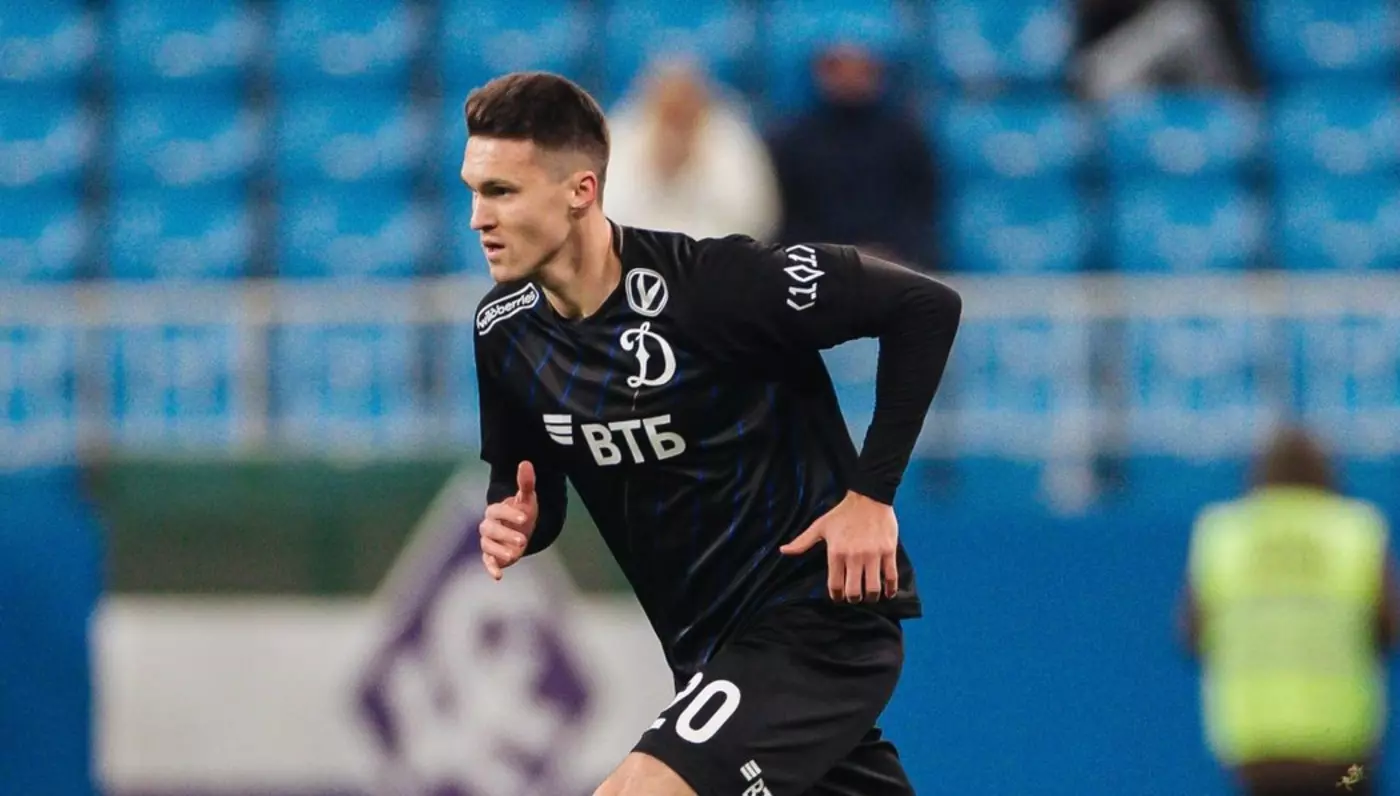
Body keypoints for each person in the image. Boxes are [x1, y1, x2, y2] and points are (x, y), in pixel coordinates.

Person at [460, 71, 961, 796]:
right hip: (706, 653)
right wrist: (518, 523)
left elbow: (924, 305)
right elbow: (526, 489)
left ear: (580, 191)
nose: (478, 218)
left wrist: (870, 495)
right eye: (474, 191)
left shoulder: (716, 286)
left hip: (812, 624)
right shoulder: (505, 332)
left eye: (502, 191)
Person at [1178, 427, 1399, 796]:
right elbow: (1390, 630)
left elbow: (1191, 636)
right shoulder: (1355, 531)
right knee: (1354, 781)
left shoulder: (1223, 535)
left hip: (1252, 752)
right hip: (1345, 754)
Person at [766, 43, 939, 270]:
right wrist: (832, 254)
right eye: (837, 68)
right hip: (816, 267)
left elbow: (919, 206)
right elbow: (786, 212)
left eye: (861, 69)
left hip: (895, 263)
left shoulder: (905, 137)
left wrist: (890, 251)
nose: (849, 77)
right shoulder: (794, 140)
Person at [604, 58, 781, 242]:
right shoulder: (624, 135)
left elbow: (757, 217)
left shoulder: (729, 137)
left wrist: (695, 172)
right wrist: (656, 172)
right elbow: (607, 213)